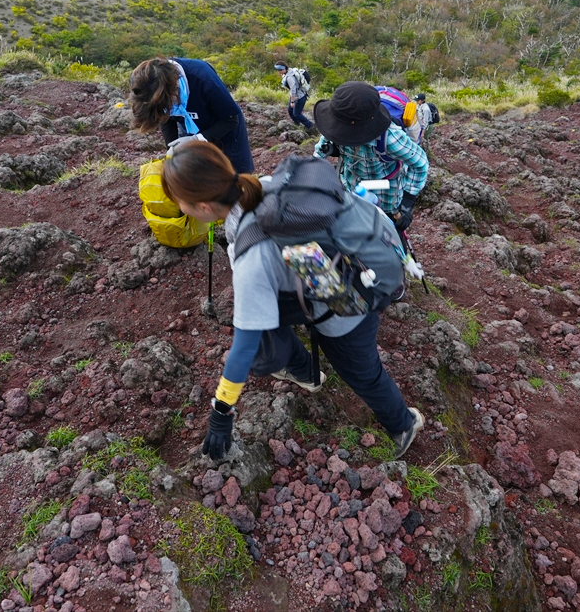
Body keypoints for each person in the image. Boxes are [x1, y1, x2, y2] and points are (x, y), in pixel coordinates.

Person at [160, 141, 424, 460]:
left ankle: (403, 423)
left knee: (362, 373)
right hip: (350, 263)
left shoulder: (251, 260)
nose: (180, 208)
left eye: (180, 203)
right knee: (260, 314)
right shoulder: (265, 185)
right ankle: (304, 371)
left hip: (349, 305)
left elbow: (244, 347)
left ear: (203, 207)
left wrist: (222, 409)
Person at [312, 82, 429, 231]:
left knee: (387, 234)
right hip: (350, 187)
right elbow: (320, 151)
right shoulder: (335, 124)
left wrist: (407, 203)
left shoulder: (390, 138)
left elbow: (420, 163)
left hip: (385, 196)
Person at [128, 57, 254, 174]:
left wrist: (196, 139)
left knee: (233, 177)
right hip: (190, 130)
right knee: (198, 178)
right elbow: (165, 118)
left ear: (173, 89)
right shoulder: (152, 86)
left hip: (225, 130)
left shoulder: (204, 78)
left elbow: (231, 120)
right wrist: (172, 148)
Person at [275, 62, 314, 132]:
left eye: (280, 70)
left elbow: (293, 90)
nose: (279, 72)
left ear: (284, 69)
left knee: (297, 113)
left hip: (299, 97)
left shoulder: (290, 77)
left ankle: (309, 125)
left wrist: (292, 102)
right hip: (296, 96)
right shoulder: (290, 71)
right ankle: (297, 123)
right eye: (278, 70)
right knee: (290, 110)